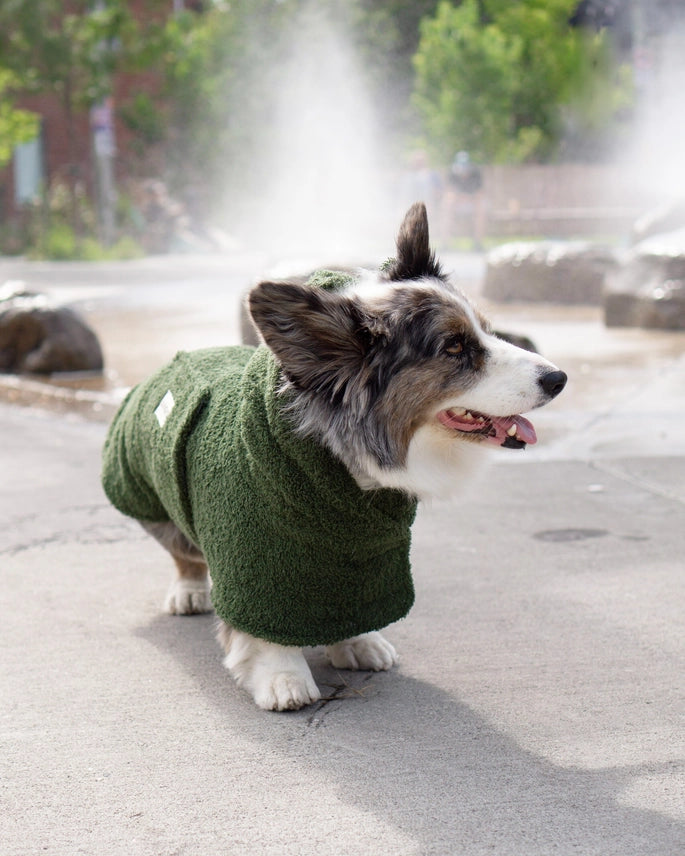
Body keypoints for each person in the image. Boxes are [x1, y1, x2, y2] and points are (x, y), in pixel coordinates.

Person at [444, 151, 486, 250]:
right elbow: (449, 192)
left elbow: (480, 193)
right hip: (457, 203)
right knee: (447, 204)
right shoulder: (452, 174)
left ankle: (478, 242)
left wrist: (469, 198)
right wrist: (459, 198)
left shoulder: (475, 173)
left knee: (481, 208)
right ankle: (446, 242)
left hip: (473, 202)